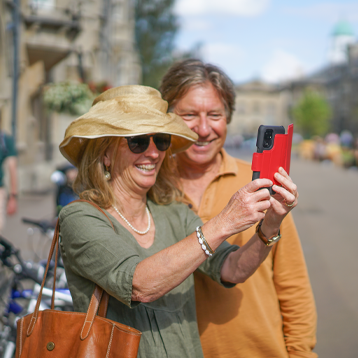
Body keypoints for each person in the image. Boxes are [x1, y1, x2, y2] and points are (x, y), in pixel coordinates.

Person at [58, 85, 298, 358]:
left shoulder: (173, 212)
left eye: (160, 140)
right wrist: (225, 222)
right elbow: (138, 284)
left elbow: (233, 269)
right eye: (138, 141)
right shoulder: (80, 216)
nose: (153, 153)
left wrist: (271, 224)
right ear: (105, 153)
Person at [160, 59, 317, 358]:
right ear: (168, 117)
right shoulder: (149, 186)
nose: (203, 129)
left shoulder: (261, 184)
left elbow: (293, 284)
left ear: (228, 117)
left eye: (215, 114)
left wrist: (300, 353)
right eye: (189, 114)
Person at [0, 111, 17, 233]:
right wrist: (13, 197)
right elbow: (12, 168)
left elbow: (12, 168)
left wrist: (12, 196)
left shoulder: (4, 140)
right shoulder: (5, 139)